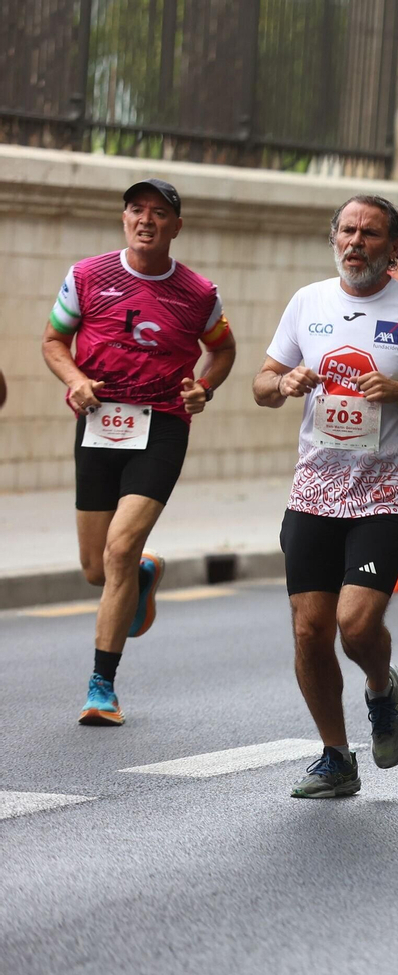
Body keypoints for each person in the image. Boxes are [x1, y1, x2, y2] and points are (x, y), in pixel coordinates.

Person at [252, 195, 398, 798]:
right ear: (333, 238)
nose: (355, 242)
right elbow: (261, 383)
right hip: (314, 491)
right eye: (346, 230)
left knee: (354, 624)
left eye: (371, 234)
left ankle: (381, 688)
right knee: (308, 631)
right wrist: (283, 381)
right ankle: (334, 756)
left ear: (396, 247)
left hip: (386, 494)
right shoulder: (308, 302)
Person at [41, 178, 237, 726]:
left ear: (176, 225)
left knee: (119, 549)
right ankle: (144, 575)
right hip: (98, 422)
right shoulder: (86, 276)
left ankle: (101, 687)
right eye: (135, 210)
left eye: (158, 212)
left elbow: (223, 350)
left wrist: (205, 386)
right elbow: (53, 341)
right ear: (124, 218)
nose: (145, 219)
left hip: (161, 426)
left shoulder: (198, 293)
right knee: (93, 568)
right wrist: (75, 379)